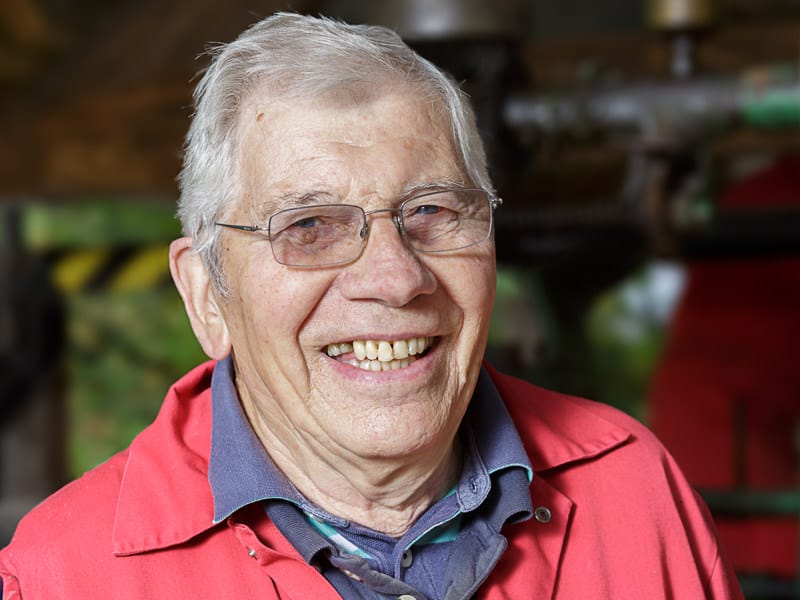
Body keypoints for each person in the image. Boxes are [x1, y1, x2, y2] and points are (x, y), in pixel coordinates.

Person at [0, 12, 743, 599]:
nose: (394, 278)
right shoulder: (59, 577)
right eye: (309, 227)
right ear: (207, 294)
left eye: (431, 211)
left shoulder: (637, 489)